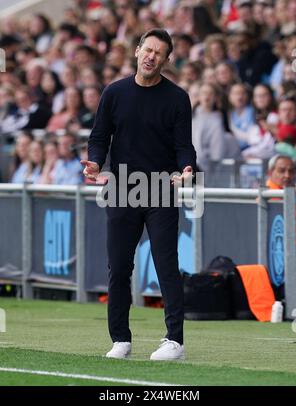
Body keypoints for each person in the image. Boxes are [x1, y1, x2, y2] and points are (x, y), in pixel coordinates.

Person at [81, 28, 196, 361]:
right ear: (137, 51)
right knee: (118, 267)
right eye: (148, 50)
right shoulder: (115, 92)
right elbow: (99, 137)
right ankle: (121, 339)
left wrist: (187, 168)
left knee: (166, 265)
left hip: (161, 190)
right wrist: (95, 163)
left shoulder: (177, 97)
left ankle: (174, 340)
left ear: (166, 59)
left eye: (159, 53)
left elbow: (183, 145)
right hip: (122, 189)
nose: (151, 56)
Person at [266, 154, 296, 247]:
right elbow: (287, 234)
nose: (287, 175)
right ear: (270, 172)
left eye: (291, 171)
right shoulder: (269, 197)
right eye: (281, 171)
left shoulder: (286, 193)